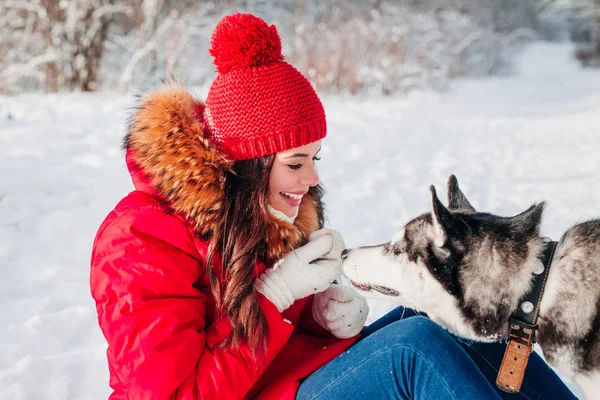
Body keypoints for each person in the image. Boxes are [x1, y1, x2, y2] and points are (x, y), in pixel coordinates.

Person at [90, 12, 577, 400]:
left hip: (294, 377)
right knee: (414, 349)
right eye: (296, 162)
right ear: (249, 163)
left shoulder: (261, 212)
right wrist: (273, 298)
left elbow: (277, 326)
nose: (313, 178)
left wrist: (317, 316)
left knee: (446, 321)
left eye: (314, 159)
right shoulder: (138, 242)